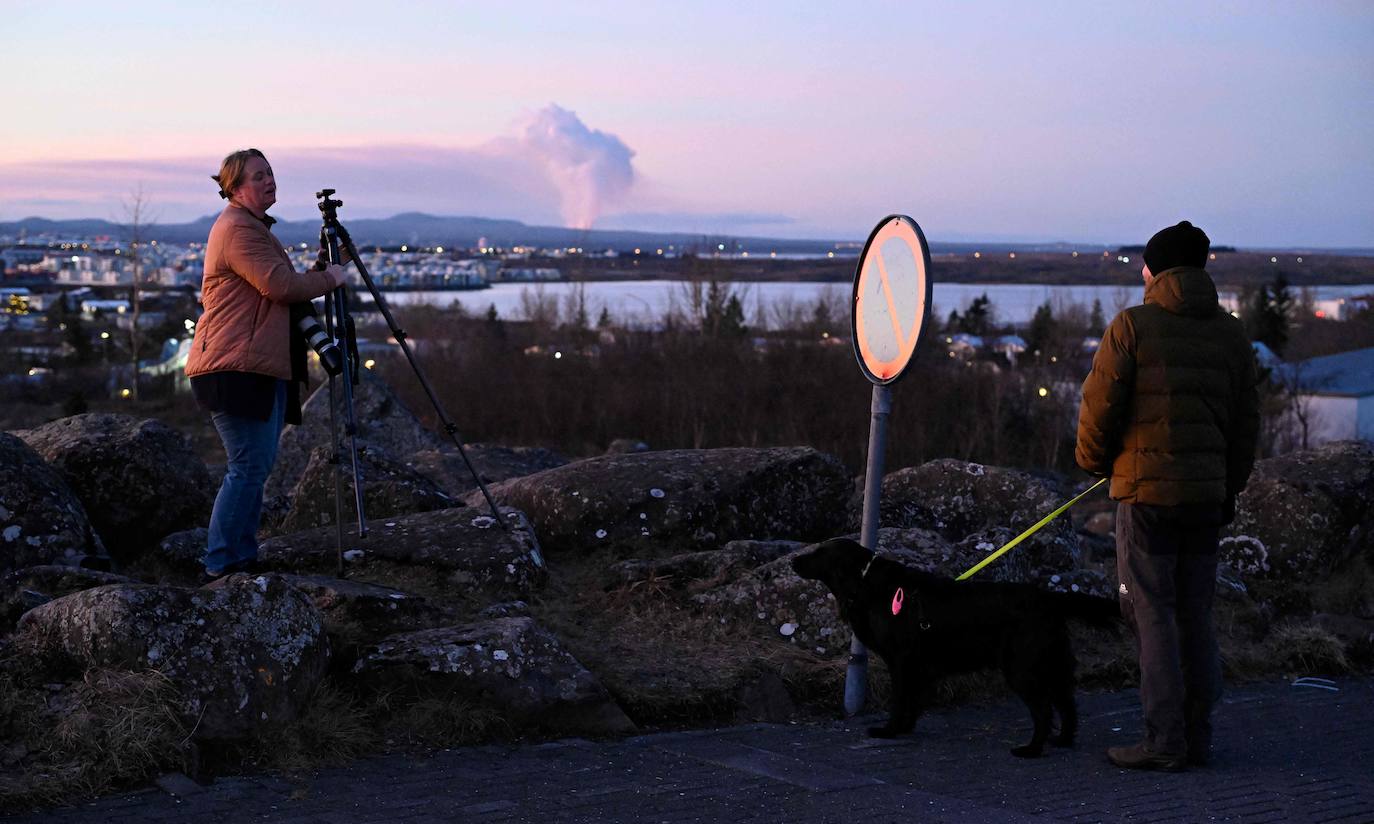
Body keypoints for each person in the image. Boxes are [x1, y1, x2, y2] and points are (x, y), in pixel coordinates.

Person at [1075, 220, 1260, 771]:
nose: (1140, 271)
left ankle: (1164, 741)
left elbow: (1098, 409)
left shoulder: (1132, 326)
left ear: (1155, 270)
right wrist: (1229, 484)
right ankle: (1197, 735)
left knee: (1151, 613)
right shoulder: (1231, 334)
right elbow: (1247, 424)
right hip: (1206, 500)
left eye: (1145, 264)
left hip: (1146, 501)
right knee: (1195, 612)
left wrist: (1094, 464)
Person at [185, 148, 347, 582]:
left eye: (271, 173)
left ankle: (240, 557)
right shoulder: (238, 229)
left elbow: (287, 288)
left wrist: (321, 268)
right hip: (234, 366)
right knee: (247, 467)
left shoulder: (255, 230)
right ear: (235, 188)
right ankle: (220, 564)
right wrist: (332, 279)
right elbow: (279, 286)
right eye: (259, 176)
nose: (269, 181)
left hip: (256, 364)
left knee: (255, 467)